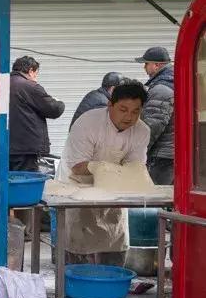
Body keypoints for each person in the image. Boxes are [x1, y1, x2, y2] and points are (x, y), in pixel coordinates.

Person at [58, 81, 150, 265]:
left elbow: (135, 167)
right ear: (110, 105)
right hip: (78, 186)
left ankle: (111, 281)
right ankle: (78, 284)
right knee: (79, 243)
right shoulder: (88, 123)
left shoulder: (142, 130)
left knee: (114, 238)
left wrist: (115, 174)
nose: (129, 117)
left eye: (135, 111)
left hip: (115, 191)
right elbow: (78, 165)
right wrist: (101, 168)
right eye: (123, 109)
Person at [9, 56, 65, 171]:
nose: (36, 77)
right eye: (36, 73)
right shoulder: (30, 87)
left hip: (7, 147)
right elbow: (54, 109)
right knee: (27, 183)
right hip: (27, 150)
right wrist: (59, 102)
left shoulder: (2, 84)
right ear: (30, 71)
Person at [139, 46, 175, 185]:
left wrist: (139, 152)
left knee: (153, 197)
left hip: (162, 156)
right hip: (171, 153)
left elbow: (153, 126)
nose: (144, 68)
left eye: (146, 63)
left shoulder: (161, 89)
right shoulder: (175, 82)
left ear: (157, 65)